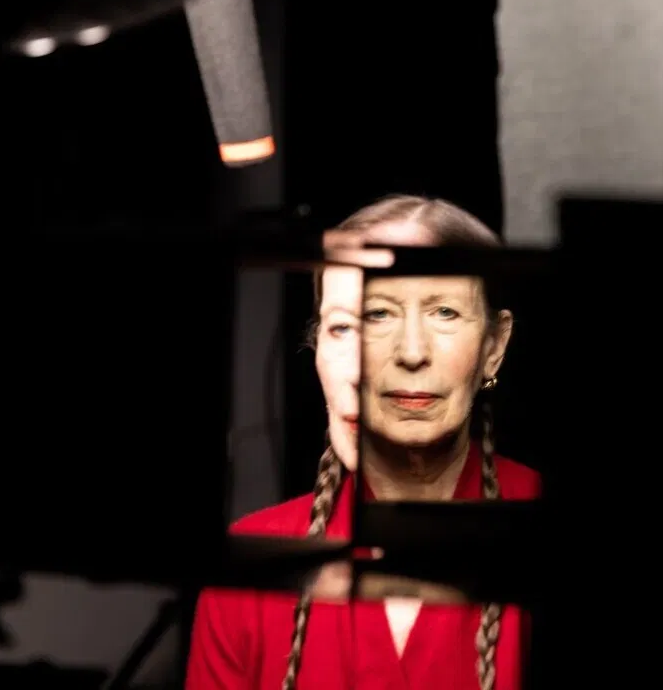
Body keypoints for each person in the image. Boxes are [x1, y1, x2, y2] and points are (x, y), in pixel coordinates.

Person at [186, 195, 540, 690]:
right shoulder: (252, 569)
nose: (408, 354)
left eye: (443, 311)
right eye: (348, 325)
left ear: (493, 347)